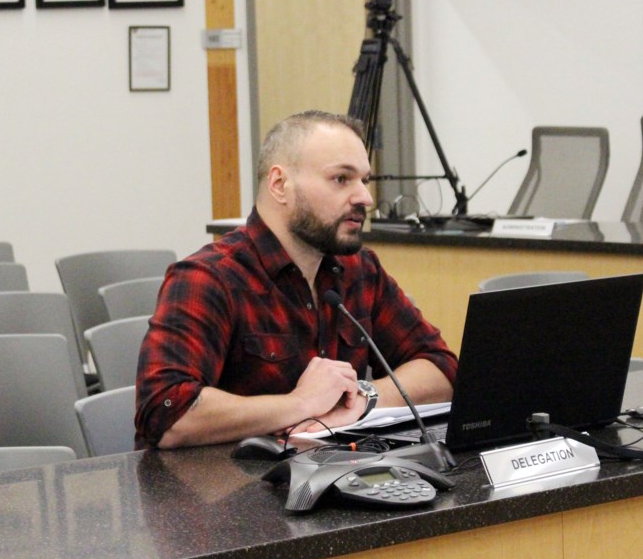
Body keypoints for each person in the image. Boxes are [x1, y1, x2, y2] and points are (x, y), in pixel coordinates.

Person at [135, 110, 457, 449]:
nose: (365, 197)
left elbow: (441, 368)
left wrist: (363, 397)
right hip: (223, 491)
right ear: (279, 185)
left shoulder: (359, 269)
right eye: (341, 179)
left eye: (364, 179)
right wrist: (301, 404)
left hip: (329, 477)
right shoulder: (209, 278)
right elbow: (166, 412)